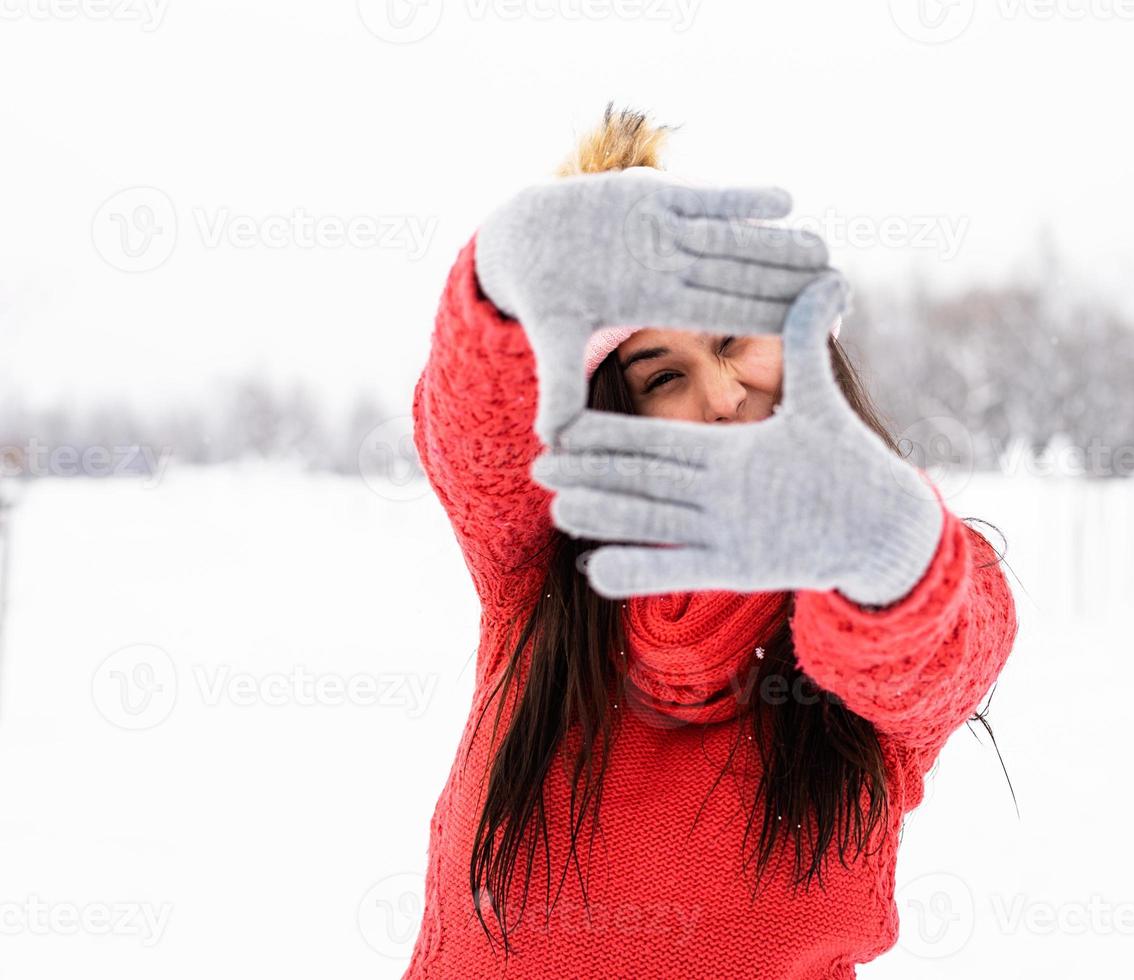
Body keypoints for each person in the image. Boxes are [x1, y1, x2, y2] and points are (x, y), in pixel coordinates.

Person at [403, 103, 1018, 979]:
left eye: (735, 342)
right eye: (663, 376)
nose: (725, 394)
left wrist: (890, 549)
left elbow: (944, 645)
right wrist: (505, 272)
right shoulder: (538, 570)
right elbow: (476, 436)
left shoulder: (897, 588)